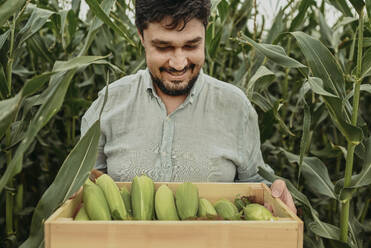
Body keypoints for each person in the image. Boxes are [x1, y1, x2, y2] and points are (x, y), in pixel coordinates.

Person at [80, 0, 297, 214]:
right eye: (163, 47)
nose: (179, 63)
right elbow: (89, 187)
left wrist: (274, 196)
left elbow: (254, 187)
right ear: (141, 36)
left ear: (206, 33)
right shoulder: (107, 105)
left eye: (191, 45)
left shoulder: (235, 107)